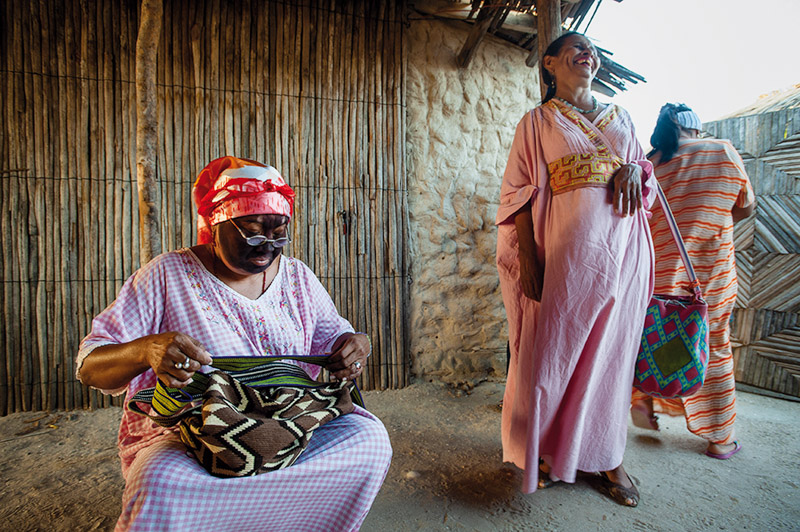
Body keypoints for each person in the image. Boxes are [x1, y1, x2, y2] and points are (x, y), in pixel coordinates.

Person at [77, 156, 392, 531]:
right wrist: (146, 349)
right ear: (215, 224)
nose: (266, 247)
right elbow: (90, 366)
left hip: (285, 425)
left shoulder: (297, 278)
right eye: (252, 231)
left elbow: (335, 337)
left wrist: (356, 345)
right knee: (159, 481)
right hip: (196, 439)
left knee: (368, 441)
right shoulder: (167, 275)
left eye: (279, 233)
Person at [496, 31, 656, 507]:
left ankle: (608, 457)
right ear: (550, 63)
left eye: (594, 49)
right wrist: (529, 259)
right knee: (552, 356)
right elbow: (518, 193)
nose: (588, 53)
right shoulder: (537, 121)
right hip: (564, 257)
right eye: (577, 46)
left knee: (611, 357)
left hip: (623, 256)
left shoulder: (622, 116)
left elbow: (646, 177)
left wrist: (635, 170)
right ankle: (545, 451)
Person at [630, 104, 755, 460]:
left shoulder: (647, 165)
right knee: (712, 347)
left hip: (655, 272)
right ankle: (719, 437)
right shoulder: (721, 152)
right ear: (696, 130)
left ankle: (645, 401)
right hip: (708, 274)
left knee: (653, 338)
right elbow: (744, 207)